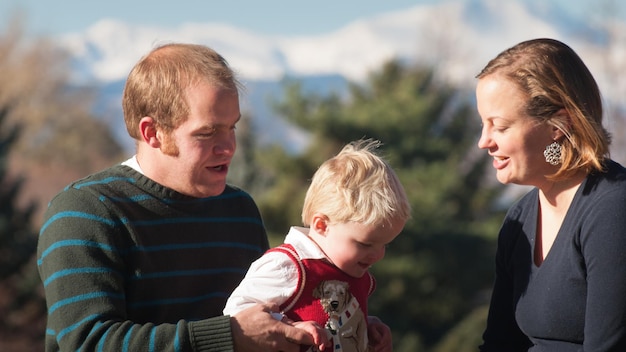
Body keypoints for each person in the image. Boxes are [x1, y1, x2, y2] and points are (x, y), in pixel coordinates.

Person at [37, 43, 335, 352]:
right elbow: (87, 343)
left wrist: (341, 328)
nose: (228, 147)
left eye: (232, 127)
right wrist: (227, 337)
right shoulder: (84, 213)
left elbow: (269, 317)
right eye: (207, 133)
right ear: (152, 132)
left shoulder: (239, 210)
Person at [476, 38, 626, 351]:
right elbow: (498, 343)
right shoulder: (519, 218)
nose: (484, 141)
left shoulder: (614, 209)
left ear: (558, 124)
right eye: (482, 124)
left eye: (499, 127)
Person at [224, 138, 411, 352]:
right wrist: (288, 327)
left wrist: (367, 326)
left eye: (384, 245)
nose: (378, 255)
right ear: (322, 225)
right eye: (365, 244)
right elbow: (237, 315)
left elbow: (333, 320)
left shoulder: (348, 269)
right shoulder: (289, 266)